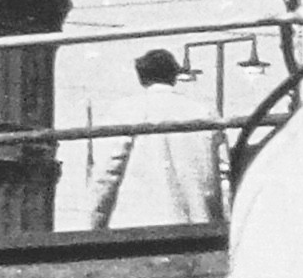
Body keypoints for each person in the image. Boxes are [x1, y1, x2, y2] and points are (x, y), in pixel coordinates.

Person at [84, 48, 225, 229]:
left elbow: (107, 172)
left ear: (141, 76)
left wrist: (94, 223)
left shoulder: (125, 111)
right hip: (197, 227)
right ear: (174, 75)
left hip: (137, 228)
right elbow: (223, 176)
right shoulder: (205, 113)